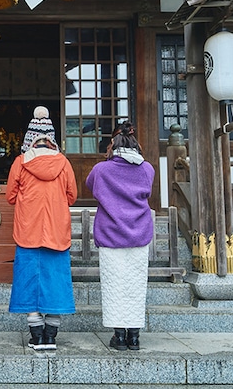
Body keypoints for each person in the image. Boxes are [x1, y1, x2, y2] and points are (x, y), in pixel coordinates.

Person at [7, 106, 77, 351]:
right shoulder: (64, 163)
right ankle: (51, 334)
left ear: (30, 137)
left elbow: (10, 196)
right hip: (57, 231)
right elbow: (72, 196)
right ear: (51, 137)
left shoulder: (20, 162)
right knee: (56, 280)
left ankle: (36, 335)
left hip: (28, 230)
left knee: (28, 282)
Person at [85, 121, 155, 351]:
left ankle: (119, 336)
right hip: (139, 234)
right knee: (136, 285)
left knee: (114, 285)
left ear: (112, 146)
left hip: (111, 235)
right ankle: (134, 336)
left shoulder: (101, 170)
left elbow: (90, 186)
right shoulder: (147, 169)